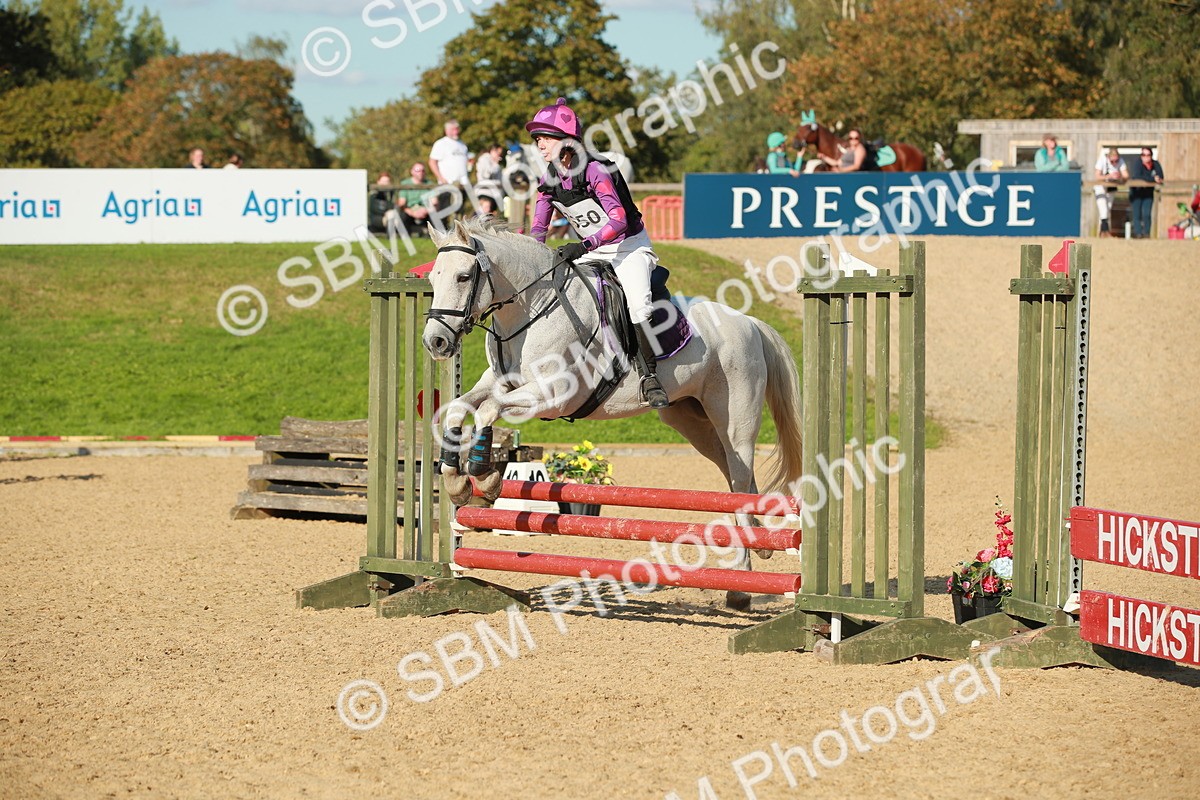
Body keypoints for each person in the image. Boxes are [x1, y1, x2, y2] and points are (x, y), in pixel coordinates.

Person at [525, 97, 669, 409]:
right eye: (538, 140)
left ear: (565, 140)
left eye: (545, 139)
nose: (540, 146)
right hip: (592, 250)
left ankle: (650, 376)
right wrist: (533, 255)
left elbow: (617, 220)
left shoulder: (594, 170)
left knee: (638, 306)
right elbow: (539, 226)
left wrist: (584, 245)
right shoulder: (550, 177)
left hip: (627, 247)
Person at [387, 162, 434, 236]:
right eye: (418, 170)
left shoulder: (430, 184)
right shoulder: (405, 184)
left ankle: (433, 238)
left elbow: (434, 202)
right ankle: (405, 240)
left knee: (435, 215)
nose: (421, 173)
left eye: (423, 170)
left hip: (425, 211)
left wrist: (425, 210)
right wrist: (413, 212)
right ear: (412, 172)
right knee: (403, 217)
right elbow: (402, 203)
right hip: (409, 211)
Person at [1127, 146, 1164, 239]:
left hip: (1148, 192)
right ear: (1141, 156)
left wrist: (1157, 179)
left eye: (1148, 155)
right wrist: (1152, 179)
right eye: (1143, 155)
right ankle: (1138, 234)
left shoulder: (1155, 164)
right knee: (1137, 214)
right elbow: (1137, 176)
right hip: (1136, 192)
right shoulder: (1137, 164)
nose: (1146, 157)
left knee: (1147, 214)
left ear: (1151, 155)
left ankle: (1147, 234)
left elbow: (1160, 176)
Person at [1093, 148, 1127, 237]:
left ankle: (1102, 232)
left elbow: (1126, 175)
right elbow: (1097, 176)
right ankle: (1105, 231)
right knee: (1103, 208)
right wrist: (1109, 176)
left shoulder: (1121, 161)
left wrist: (1119, 177)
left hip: (1111, 186)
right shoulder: (1102, 160)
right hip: (1100, 187)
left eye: (1116, 161)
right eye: (1113, 161)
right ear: (1108, 157)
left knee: (1107, 209)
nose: (1115, 163)